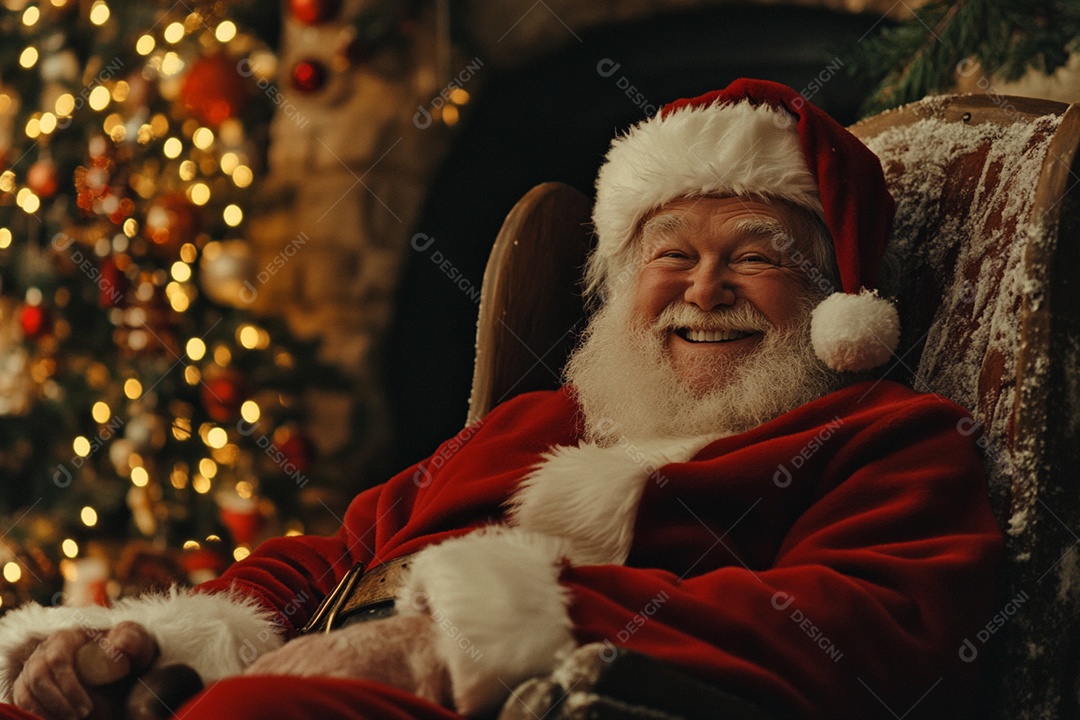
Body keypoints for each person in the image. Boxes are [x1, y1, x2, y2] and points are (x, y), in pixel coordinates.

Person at [0, 79, 1003, 720]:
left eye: (756, 258)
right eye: (673, 258)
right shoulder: (535, 425)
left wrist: (450, 640)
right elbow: (345, 554)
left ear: (837, 309)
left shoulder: (887, 441)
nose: (704, 290)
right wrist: (147, 643)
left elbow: (870, 634)